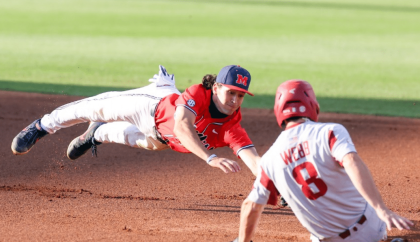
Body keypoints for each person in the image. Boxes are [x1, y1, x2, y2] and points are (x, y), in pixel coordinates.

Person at [211, 79, 420, 242]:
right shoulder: (329, 132)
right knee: (354, 186)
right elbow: (352, 162)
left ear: (279, 111)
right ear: (313, 106)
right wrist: (381, 209)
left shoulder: (269, 160)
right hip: (372, 228)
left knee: (317, 238)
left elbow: (251, 206)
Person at [11, 65, 260, 176]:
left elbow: (254, 160)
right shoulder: (198, 93)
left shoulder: (231, 127)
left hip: (161, 138)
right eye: (231, 92)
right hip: (149, 106)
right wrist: (210, 158)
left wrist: (275, 185)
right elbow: (183, 127)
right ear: (216, 88)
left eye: (240, 95)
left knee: (131, 138)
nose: (235, 100)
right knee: (95, 108)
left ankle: (95, 135)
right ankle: (41, 126)